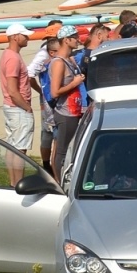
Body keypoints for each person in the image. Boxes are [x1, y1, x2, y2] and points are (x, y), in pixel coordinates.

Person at [47, 26, 89, 184]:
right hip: (66, 113)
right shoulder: (58, 63)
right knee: (62, 152)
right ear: (66, 40)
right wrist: (75, 82)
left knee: (72, 150)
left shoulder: (68, 59)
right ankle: (59, 184)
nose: (78, 40)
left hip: (74, 110)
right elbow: (55, 92)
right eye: (75, 37)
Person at [0, 24, 34, 185]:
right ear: (15, 37)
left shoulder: (8, 54)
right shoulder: (13, 58)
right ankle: (19, 184)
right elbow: (13, 90)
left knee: (12, 145)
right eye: (24, 35)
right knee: (20, 149)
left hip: (11, 107)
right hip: (18, 108)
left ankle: (13, 184)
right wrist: (26, 107)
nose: (27, 38)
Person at [28, 36, 59, 175]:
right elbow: (29, 74)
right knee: (50, 133)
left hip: (55, 99)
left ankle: (52, 166)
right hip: (49, 101)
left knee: (53, 134)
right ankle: (48, 166)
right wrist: (41, 91)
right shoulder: (43, 55)